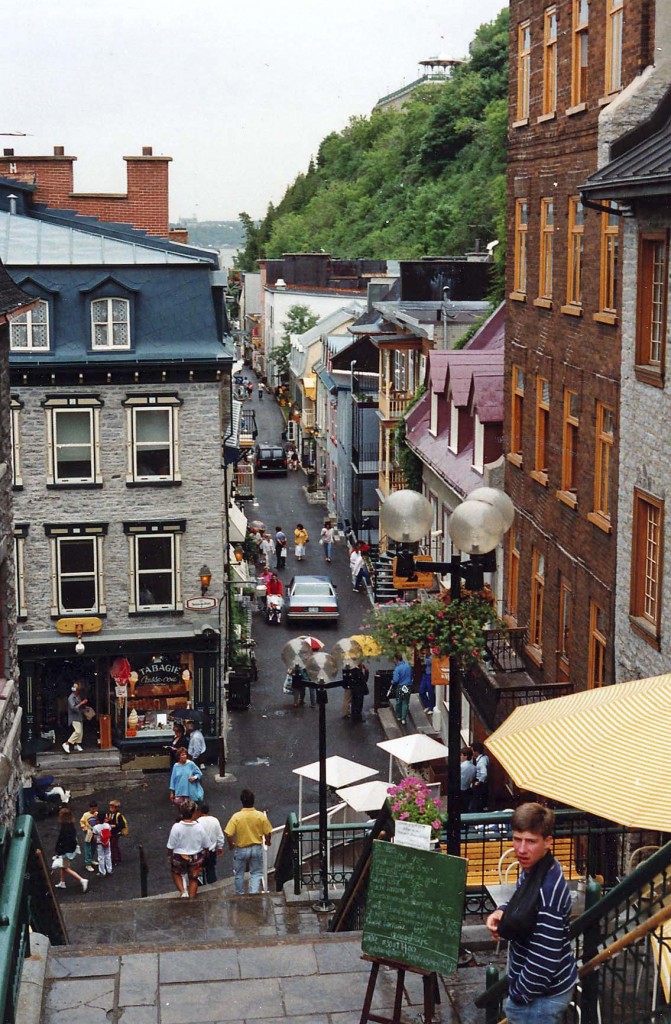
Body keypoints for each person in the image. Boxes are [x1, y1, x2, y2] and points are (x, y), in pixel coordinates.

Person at [486, 803, 577, 1023]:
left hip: (538, 1001)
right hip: (536, 993)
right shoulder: (536, 868)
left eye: (531, 841)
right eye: (517, 839)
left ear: (548, 842)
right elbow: (521, 899)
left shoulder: (549, 890)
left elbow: (544, 956)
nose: (521, 849)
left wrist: (518, 996)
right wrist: (502, 911)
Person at [224, 788, 272, 895]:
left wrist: (231, 844)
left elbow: (228, 834)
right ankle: (253, 893)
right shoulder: (260, 816)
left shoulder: (236, 817)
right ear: (253, 801)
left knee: (239, 873)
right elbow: (268, 833)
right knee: (255, 873)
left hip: (241, 848)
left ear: (242, 801)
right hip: (256, 847)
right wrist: (268, 842)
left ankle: (239, 894)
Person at [167, 799, 208, 898]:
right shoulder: (199, 827)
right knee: (193, 878)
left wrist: (169, 857)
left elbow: (170, 846)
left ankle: (183, 891)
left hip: (179, 856)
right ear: (194, 813)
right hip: (195, 856)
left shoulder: (176, 827)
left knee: (176, 872)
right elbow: (206, 844)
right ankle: (192, 898)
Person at [54, 807, 89, 892]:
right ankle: (62, 882)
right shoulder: (71, 826)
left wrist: (58, 851)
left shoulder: (64, 828)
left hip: (66, 851)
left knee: (65, 867)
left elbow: (61, 840)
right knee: (63, 866)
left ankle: (82, 880)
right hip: (71, 849)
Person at [196, 802, 226, 884]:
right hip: (212, 851)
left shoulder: (197, 822)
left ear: (199, 811)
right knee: (211, 869)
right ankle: (213, 889)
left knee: (199, 872)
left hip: (200, 852)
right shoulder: (215, 820)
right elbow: (220, 835)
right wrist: (220, 847)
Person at [62, 680, 88, 754]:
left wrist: (84, 707)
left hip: (79, 716)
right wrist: (82, 703)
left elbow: (79, 706)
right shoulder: (71, 697)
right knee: (78, 731)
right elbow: (73, 708)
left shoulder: (78, 696)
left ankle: (76, 745)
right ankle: (67, 743)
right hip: (74, 717)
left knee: (80, 732)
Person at [388, 654, 413, 727]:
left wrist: (392, 682)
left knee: (399, 701)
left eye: (394, 659)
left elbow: (395, 680)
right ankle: (403, 718)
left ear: (396, 659)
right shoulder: (408, 667)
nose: (393, 661)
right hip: (408, 686)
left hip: (401, 686)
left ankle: (399, 716)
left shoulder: (397, 669)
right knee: (405, 702)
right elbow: (411, 676)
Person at [79, 800, 99, 873]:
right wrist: (84, 828)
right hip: (88, 832)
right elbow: (82, 822)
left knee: (94, 847)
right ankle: (88, 863)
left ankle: (92, 859)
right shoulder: (86, 815)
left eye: (95, 808)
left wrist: (96, 817)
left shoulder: (97, 814)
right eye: (92, 808)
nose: (94, 810)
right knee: (88, 847)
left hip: (95, 833)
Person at [92, 812, 113, 877]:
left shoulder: (95, 827)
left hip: (99, 843)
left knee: (101, 857)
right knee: (108, 855)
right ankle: (109, 870)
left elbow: (95, 837)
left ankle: (102, 872)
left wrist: (95, 842)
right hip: (107, 842)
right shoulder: (107, 825)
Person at [108, 799, 128, 867]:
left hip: (116, 832)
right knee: (113, 845)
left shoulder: (118, 815)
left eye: (112, 807)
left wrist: (115, 825)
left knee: (114, 845)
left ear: (116, 808)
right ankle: (116, 858)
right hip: (112, 832)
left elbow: (122, 824)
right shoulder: (110, 814)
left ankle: (116, 859)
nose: (110, 809)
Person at [470, 741, 489, 811]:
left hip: (480, 783)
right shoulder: (485, 757)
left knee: (477, 800)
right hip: (482, 783)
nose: (471, 753)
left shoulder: (481, 762)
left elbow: (484, 773)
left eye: (472, 751)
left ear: (476, 751)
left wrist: (479, 782)